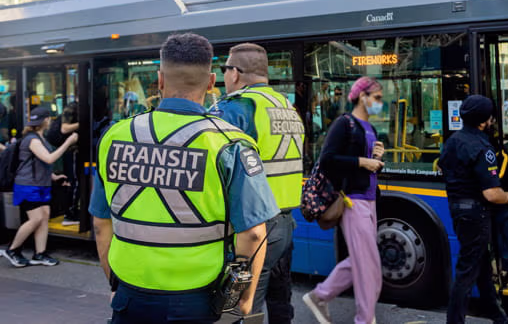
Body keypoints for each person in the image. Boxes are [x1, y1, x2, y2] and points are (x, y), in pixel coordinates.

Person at [89, 33, 279, 324]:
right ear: (212, 81)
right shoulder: (229, 143)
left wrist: (116, 286)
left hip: (130, 299)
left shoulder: (115, 136)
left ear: (160, 79)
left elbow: (102, 226)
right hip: (200, 302)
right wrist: (243, 299)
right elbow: (253, 234)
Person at [210, 43, 305, 323]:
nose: (224, 76)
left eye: (225, 69)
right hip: (286, 225)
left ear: (235, 73)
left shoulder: (237, 108)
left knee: (235, 310)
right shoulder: (286, 106)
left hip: (253, 230)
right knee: (280, 304)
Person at [303, 76, 385, 324]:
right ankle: (365, 320)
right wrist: (362, 161)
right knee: (370, 267)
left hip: (370, 199)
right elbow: (327, 159)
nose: (380, 103)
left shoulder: (370, 128)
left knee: (363, 260)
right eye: (377, 98)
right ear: (363, 97)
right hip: (352, 201)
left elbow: (369, 169)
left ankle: (320, 296)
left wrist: (378, 161)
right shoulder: (344, 123)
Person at [439, 94, 508, 324]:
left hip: (458, 210)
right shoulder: (482, 147)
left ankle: (499, 317)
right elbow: (492, 194)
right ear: (484, 121)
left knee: (482, 265)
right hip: (476, 214)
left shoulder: (452, 142)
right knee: (467, 272)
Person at [1, 106, 77, 267]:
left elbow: (40, 162)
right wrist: (68, 142)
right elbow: (48, 159)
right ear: (46, 120)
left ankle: (40, 253)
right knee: (36, 218)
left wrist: (54, 176)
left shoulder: (39, 138)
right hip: (28, 185)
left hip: (40, 184)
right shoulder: (32, 140)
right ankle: (13, 249)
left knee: (44, 216)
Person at [45, 102, 80, 226]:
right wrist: (84, 123)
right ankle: (70, 213)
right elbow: (64, 128)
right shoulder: (72, 107)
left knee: (75, 181)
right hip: (65, 150)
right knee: (74, 181)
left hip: (71, 150)